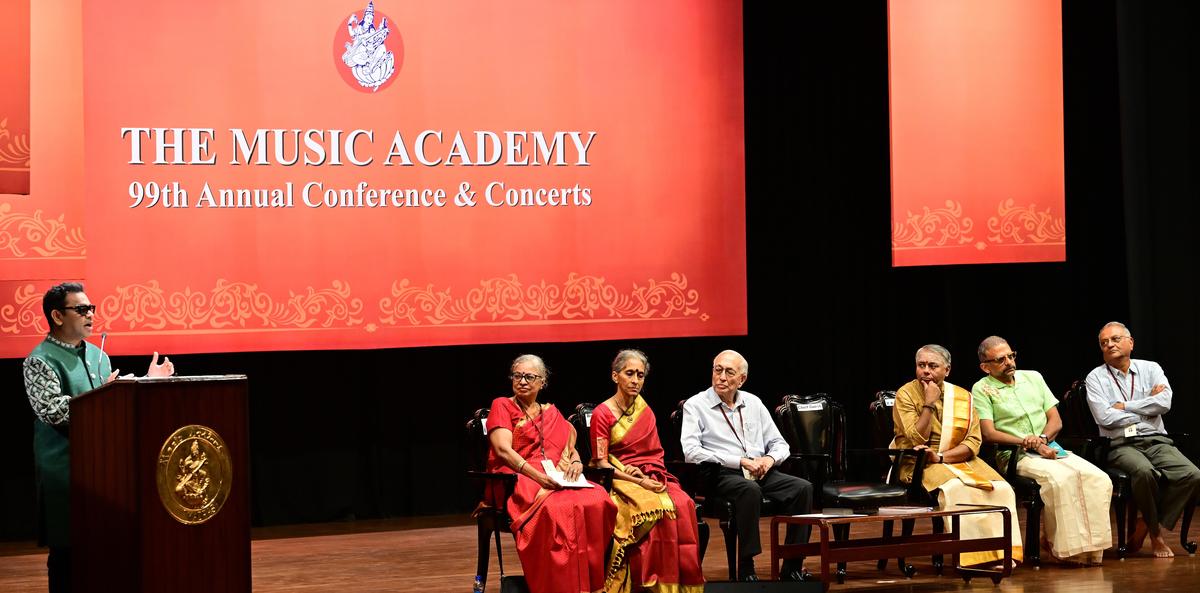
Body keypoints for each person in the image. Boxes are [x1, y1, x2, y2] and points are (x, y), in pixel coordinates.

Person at [23, 282, 175, 593]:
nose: (91, 314)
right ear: (57, 316)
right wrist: (106, 394)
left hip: (104, 467)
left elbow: (109, 407)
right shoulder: (39, 360)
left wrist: (146, 382)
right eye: (81, 309)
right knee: (68, 556)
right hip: (65, 470)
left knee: (105, 554)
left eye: (91, 308)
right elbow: (52, 411)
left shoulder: (97, 354)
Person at [971, 336, 1111, 565]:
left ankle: (1090, 550)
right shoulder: (982, 388)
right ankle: (1063, 548)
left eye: (1011, 356)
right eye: (1000, 359)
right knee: (1062, 479)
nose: (1009, 362)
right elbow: (988, 433)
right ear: (985, 366)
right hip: (1015, 454)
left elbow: (1055, 420)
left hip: (1049, 446)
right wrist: (1028, 442)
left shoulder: (1033, 377)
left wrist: (1043, 438)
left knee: (1098, 478)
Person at [485, 354, 617, 593]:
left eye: (529, 376)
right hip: (518, 476)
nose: (522, 381)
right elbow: (503, 450)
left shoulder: (551, 413)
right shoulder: (502, 405)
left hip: (554, 473)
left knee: (598, 499)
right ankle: (557, 584)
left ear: (542, 382)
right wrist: (538, 477)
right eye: (518, 375)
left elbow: (569, 447)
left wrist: (576, 461)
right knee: (557, 509)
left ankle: (589, 581)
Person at [680, 349, 812, 582]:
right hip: (721, 473)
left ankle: (792, 566)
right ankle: (746, 566)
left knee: (802, 488)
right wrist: (739, 461)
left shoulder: (753, 402)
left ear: (741, 379)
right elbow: (691, 452)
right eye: (717, 370)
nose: (721, 377)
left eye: (729, 372)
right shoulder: (696, 405)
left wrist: (768, 460)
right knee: (749, 490)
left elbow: (780, 444)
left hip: (759, 470)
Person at [892, 344, 1023, 567]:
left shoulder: (963, 396)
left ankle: (1001, 553)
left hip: (954, 458)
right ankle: (973, 556)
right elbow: (916, 439)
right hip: (918, 461)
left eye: (932, 366)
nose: (926, 371)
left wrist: (942, 457)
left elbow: (973, 442)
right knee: (958, 489)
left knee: (1001, 489)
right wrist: (929, 403)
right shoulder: (906, 393)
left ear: (947, 370)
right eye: (921, 365)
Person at [590, 350, 703, 593]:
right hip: (619, 478)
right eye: (629, 373)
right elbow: (600, 462)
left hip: (650, 474)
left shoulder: (645, 410)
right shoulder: (602, 413)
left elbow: (654, 454)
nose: (635, 380)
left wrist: (646, 475)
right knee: (652, 509)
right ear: (615, 376)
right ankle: (648, 583)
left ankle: (677, 582)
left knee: (682, 504)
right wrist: (634, 479)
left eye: (640, 375)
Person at [1084, 321, 1200, 558]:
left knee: (1192, 474)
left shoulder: (1151, 369)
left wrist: (1124, 406)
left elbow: (1164, 403)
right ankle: (1156, 535)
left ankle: (1145, 523)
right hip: (1119, 444)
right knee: (1145, 472)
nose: (1109, 345)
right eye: (1104, 343)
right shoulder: (1095, 378)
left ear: (1130, 342)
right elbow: (1105, 417)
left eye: (1115, 339)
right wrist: (1147, 409)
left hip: (1156, 438)